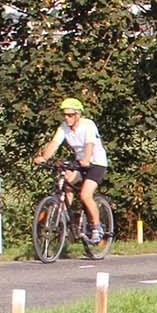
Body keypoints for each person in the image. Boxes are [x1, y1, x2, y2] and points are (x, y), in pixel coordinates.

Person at [33, 98, 111, 240]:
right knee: (65, 183)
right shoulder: (64, 127)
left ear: (78, 115)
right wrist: (44, 157)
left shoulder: (88, 125)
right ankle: (66, 220)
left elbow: (89, 144)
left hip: (96, 163)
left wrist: (87, 159)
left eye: (70, 115)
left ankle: (97, 227)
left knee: (85, 195)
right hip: (80, 162)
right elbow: (54, 143)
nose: (67, 118)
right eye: (65, 115)